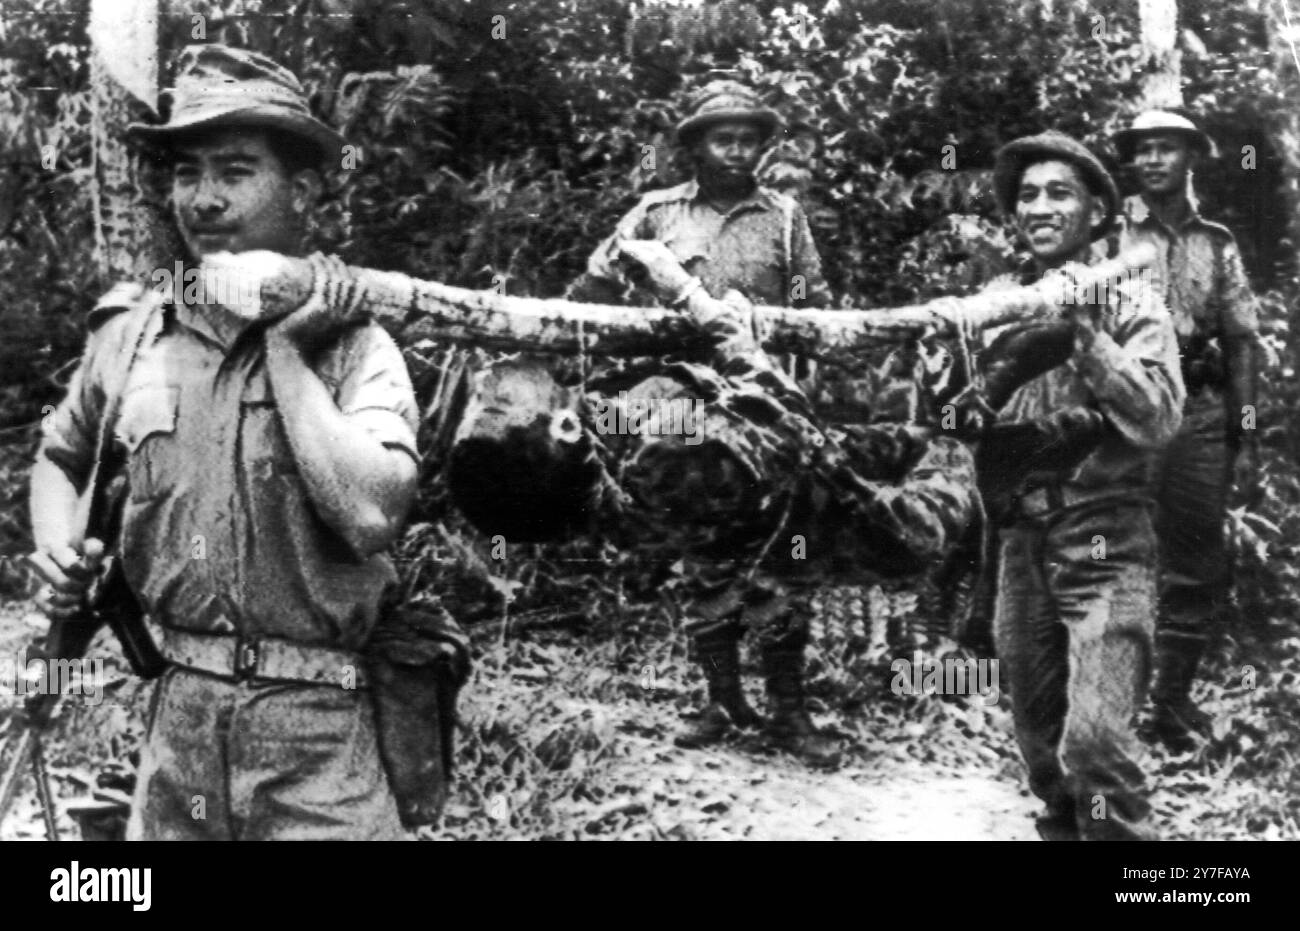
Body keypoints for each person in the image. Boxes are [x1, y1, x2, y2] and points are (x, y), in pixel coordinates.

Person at [27, 44, 420, 839]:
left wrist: (287, 350)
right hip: (180, 721)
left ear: (302, 190)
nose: (202, 200)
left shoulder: (353, 342)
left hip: (317, 733)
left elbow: (373, 513)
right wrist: (59, 544)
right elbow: (61, 458)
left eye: (235, 171)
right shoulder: (135, 335)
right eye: (186, 173)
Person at [569, 81, 841, 765]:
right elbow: (592, 289)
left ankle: (787, 706)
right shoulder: (655, 216)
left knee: (786, 550)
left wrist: (805, 380)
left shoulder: (783, 218)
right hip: (684, 409)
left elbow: (816, 311)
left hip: (765, 405)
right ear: (694, 146)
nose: (737, 150)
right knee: (703, 549)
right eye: (722, 137)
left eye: (749, 137)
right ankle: (722, 696)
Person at [988, 131, 1185, 840]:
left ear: (1098, 212)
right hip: (1020, 541)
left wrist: (1084, 335)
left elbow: (1159, 417)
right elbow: (955, 423)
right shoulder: (994, 304)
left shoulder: (1135, 302)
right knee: (1042, 749)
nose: (1039, 207)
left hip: (1105, 535)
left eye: (1059, 193)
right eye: (1028, 196)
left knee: (1096, 741)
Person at [1112, 111, 1262, 750]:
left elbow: (1241, 340)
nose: (1152, 160)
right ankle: (1107, 703)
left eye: (1165, 149)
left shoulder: (1216, 242)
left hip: (1199, 414)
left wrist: (1245, 430)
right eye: (1142, 150)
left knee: (1195, 559)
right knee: (1113, 549)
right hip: (1126, 411)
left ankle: (1168, 703)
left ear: (1190, 158)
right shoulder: (1108, 234)